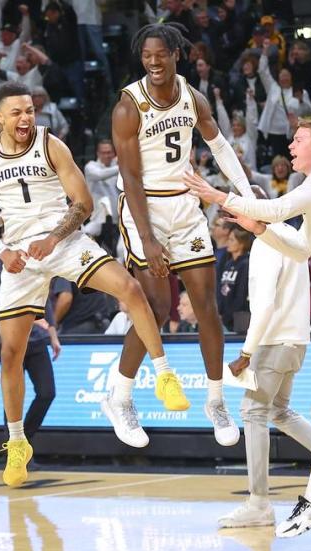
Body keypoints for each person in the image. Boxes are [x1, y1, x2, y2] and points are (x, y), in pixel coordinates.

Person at [0, 81, 189, 488]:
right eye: (16, 112)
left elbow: (84, 203)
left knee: (130, 290)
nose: (25, 118)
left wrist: (53, 238)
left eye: (30, 110)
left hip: (62, 241)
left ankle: (164, 374)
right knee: (11, 354)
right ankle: (17, 443)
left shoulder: (51, 145)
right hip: (18, 254)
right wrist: (2, 251)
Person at [185, 119, 311, 539]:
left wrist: (220, 196)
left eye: (297, 141)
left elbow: (278, 208)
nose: (290, 146)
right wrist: (258, 227)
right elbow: (299, 248)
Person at [112, 23, 261, 450]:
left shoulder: (193, 97)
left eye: (161, 54)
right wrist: (148, 238)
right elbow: (130, 176)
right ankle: (120, 397)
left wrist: (246, 195)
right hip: (145, 208)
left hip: (186, 205)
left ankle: (215, 400)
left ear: (176, 54)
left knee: (206, 307)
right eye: (147, 56)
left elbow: (220, 146)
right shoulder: (129, 105)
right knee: (156, 308)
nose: (154, 62)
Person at [216, 187, 311, 530]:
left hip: (273, 341)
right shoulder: (290, 235)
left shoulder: (267, 243)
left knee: (252, 413)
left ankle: (259, 503)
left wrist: (245, 353)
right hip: (296, 341)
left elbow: (264, 305)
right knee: (279, 412)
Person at [0, 258, 60, 439]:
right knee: (12, 400)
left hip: (37, 339)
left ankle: (22, 441)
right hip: (8, 341)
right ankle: (13, 451)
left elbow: (44, 300)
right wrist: (32, 315)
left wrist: (53, 335)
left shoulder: (32, 264)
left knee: (47, 393)